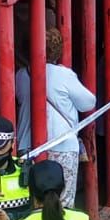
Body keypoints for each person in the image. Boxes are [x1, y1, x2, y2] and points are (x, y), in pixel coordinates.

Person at [41, 28, 95, 208]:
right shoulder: (63, 74)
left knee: (37, 199)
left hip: (30, 146)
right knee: (64, 199)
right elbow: (88, 102)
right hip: (62, 143)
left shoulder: (21, 75)